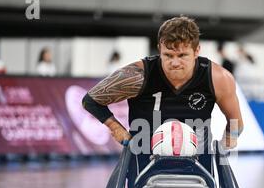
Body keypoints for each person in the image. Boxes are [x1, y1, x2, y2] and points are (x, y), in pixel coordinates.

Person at [82, 15, 243, 175]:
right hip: (144, 165)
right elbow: (90, 101)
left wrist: (230, 138)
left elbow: (236, 122)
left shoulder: (218, 78)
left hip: (198, 165)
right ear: (160, 49)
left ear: (196, 51)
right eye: (168, 55)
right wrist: (115, 127)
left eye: (182, 55)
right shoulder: (137, 75)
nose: (174, 62)